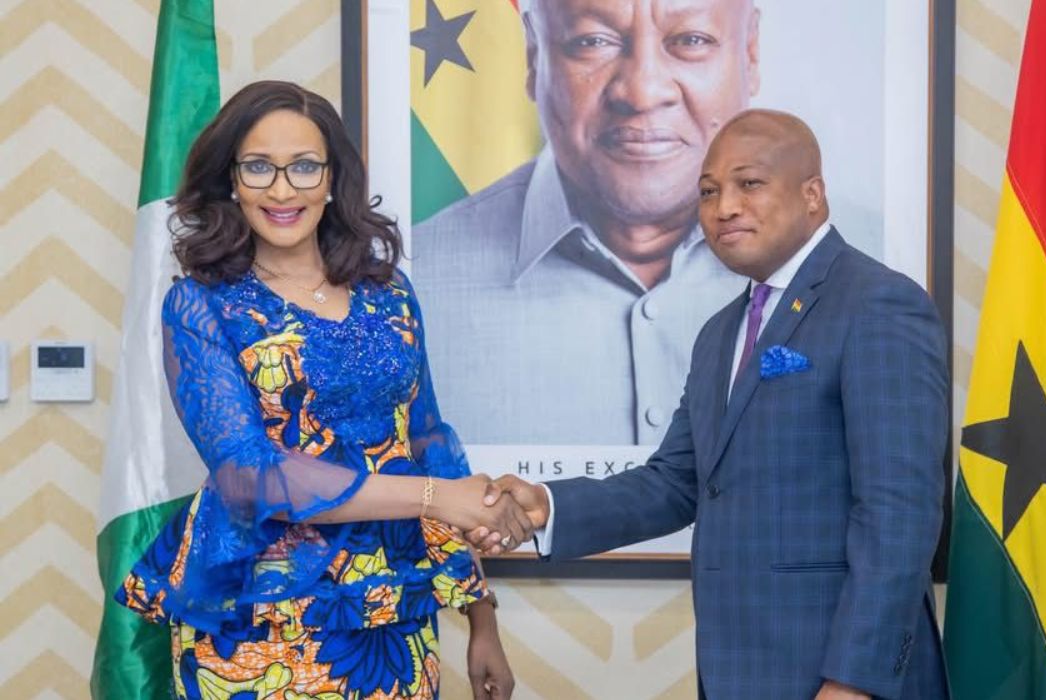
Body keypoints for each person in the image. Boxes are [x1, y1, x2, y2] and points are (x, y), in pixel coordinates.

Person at [475, 110, 950, 699]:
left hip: (841, 674)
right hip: (740, 672)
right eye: (708, 191)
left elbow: (900, 512)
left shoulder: (879, 303)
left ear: (812, 195)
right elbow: (676, 482)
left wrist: (854, 681)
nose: (724, 207)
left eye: (749, 184)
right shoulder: (721, 332)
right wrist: (546, 507)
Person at [115, 81, 531, 700]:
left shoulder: (390, 294)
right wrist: (439, 497)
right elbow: (250, 475)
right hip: (254, 618)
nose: (283, 190)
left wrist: (481, 615)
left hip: (394, 605)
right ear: (231, 179)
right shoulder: (200, 305)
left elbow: (427, 443)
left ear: (333, 178)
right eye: (259, 167)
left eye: (304, 166)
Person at [412, 0, 761, 445]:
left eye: (691, 40)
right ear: (533, 54)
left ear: (750, 53)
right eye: (592, 41)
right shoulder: (408, 283)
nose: (642, 93)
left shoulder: (836, 267)